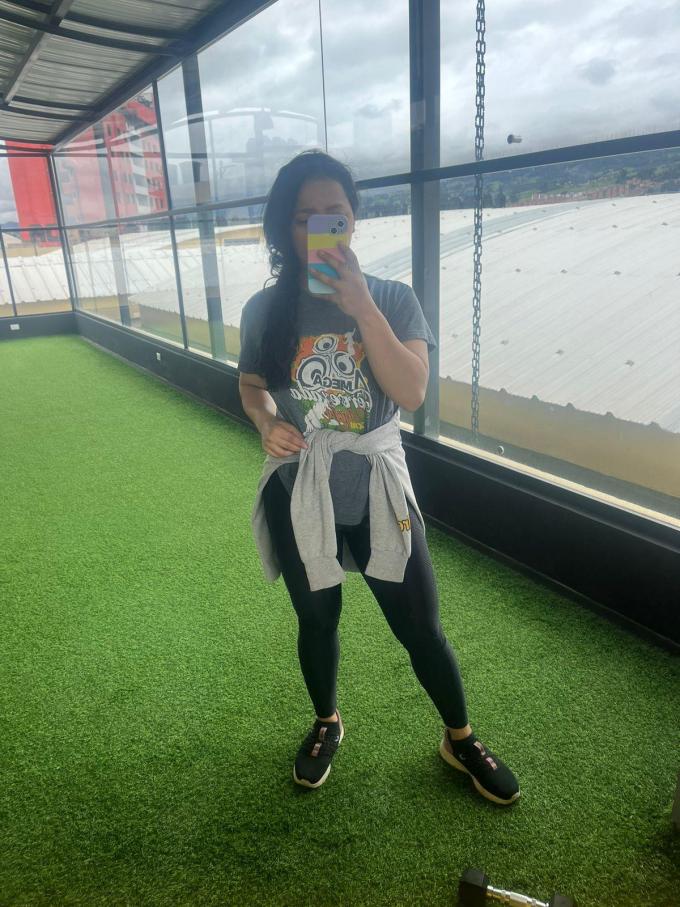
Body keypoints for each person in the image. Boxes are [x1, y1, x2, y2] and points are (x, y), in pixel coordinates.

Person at [238, 149, 520, 806]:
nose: (320, 227)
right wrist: (264, 419)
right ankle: (327, 721)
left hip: (378, 487)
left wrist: (362, 306)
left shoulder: (392, 298)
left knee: (420, 626)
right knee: (317, 619)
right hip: (300, 487)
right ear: (285, 227)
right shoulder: (264, 309)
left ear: (354, 219)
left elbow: (412, 391)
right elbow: (251, 385)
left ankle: (459, 737)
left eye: (334, 213)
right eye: (304, 217)